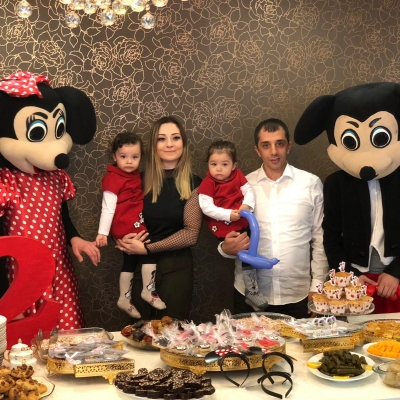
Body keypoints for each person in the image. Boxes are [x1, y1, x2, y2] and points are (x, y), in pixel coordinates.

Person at [218, 118, 328, 319]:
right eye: (266, 145)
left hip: (299, 295)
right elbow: (225, 231)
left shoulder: (311, 184)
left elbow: (320, 240)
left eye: (280, 144)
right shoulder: (242, 187)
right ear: (257, 150)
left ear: (289, 146)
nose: (274, 151)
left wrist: (318, 287)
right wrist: (224, 248)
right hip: (249, 295)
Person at [116, 116, 202, 320]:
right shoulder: (136, 180)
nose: (169, 144)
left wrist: (148, 248)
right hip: (138, 270)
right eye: (162, 139)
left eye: (175, 138)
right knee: (139, 333)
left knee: (173, 333)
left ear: (184, 143)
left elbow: (191, 234)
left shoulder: (195, 183)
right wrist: (120, 238)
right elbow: (119, 215)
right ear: (154, 145)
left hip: (176, 270)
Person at [96, 132, 166, 320]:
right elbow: (107, 207)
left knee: (130, 260)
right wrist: (103, 233)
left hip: (131, 222)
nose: (129, 161)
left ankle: (124, 298)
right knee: (150, 249)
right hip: (126, 224)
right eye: (123, 157)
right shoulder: (113, 178)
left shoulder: (133, 175)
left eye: (134, 157)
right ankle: (148, 290)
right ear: (114, 156)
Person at [198, 140, 268, 311]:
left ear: (233, 165)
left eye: (224, 164)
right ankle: (252, 290)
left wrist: (246, 205)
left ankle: (252, 288)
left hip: (241, 218)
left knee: (251, 247)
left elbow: (249, 191)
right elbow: (206, 207)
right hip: (223, 224)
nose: (218, 169)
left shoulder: (238, 175)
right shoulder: (208, 183)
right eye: (213, 164)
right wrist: (228, 214)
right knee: (244, 251)